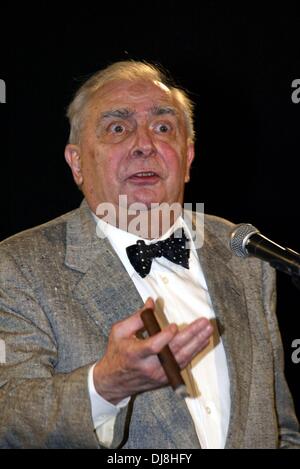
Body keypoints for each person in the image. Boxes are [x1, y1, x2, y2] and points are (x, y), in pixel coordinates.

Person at [0, 61, 299, 449]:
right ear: (77, 163)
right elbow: (9, 418)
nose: (144, 144)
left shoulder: (242, 255)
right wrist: (106, 386)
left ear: (188, 157)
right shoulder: (19, 266)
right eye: (118, 128)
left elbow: (280, 430)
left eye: (163, 128)